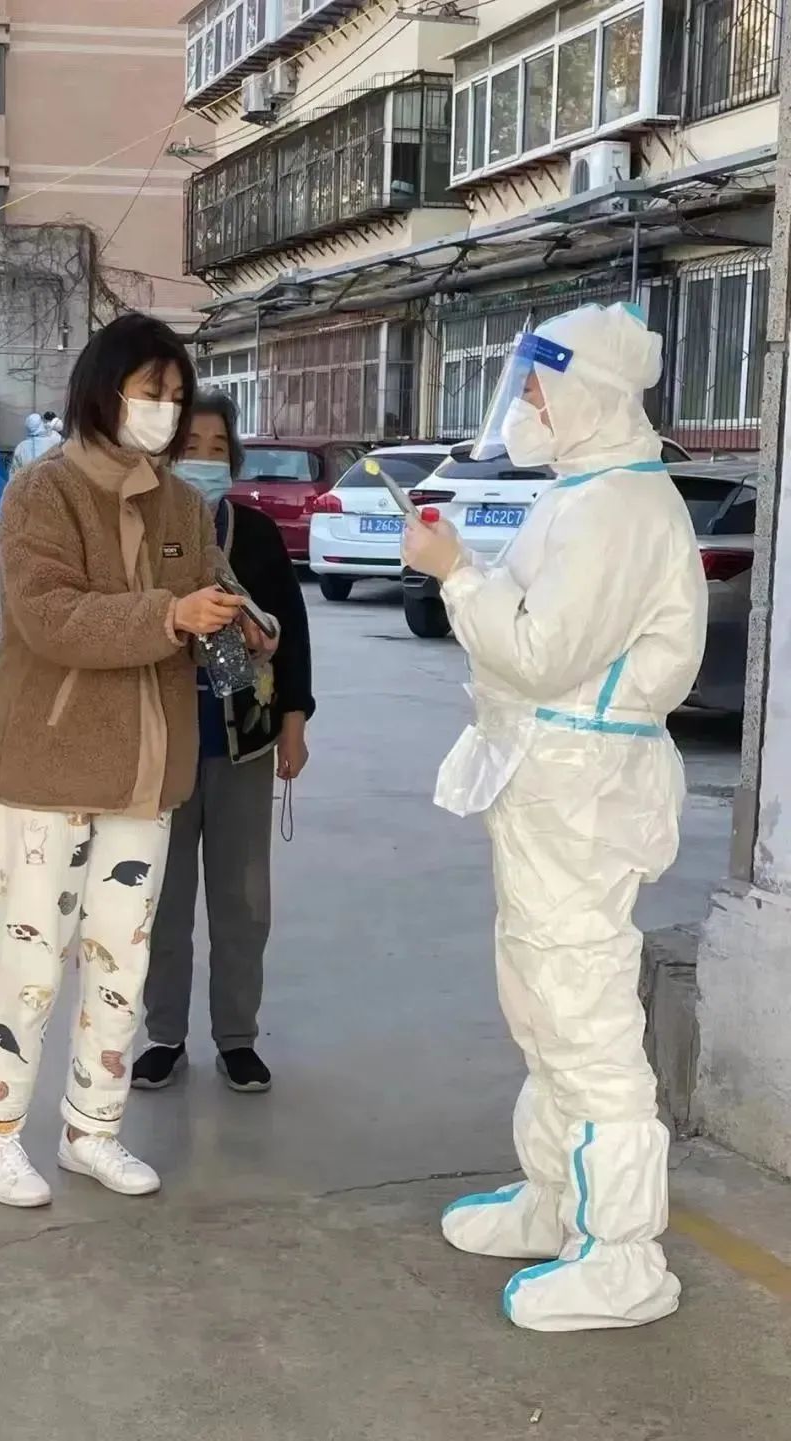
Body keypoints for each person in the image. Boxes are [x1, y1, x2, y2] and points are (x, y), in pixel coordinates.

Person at [402, 302, 707, 1332]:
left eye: (539, 386)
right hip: (550, 782)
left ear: (588, 394)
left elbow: (539, 652)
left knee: (582, 1010)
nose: (525, 404)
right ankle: (558, 1197)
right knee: (540, 998)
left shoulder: (620, 506)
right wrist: (468, 571)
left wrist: (456, 574)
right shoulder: (582, 494)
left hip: (583, 790)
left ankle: (622, 1253)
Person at [0, 314, 249, 1208]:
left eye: (176, 395)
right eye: (151, 392)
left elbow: (218, 589)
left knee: (121, 966)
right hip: (46, 771)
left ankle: (93, 1128)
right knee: (31, 963)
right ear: (104, 388)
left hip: (144, 775)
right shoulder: (41, 492)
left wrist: (245, 621)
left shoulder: (184, 505)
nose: (165, 410)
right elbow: (50, 616)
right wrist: (168, 615)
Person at [132, 391, 314, 1095]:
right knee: (164, 900)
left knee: (242, 901)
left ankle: (237, 1037)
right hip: (164, 743)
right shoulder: (144, 532)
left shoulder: (256, 534)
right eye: (191, 448)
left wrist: (294, 722)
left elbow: (291, 632)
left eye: (217, 448)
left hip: (244, 742)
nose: (204, 460)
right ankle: (164, 1036)